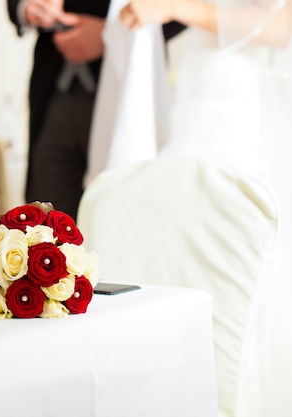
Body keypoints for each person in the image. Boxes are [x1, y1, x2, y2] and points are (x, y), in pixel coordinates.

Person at [115, 0, 292, 415]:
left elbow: (284, 23)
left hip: (241, 118)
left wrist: (174, 7)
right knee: (176, 257)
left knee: (232, 262)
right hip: (197, 97)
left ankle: (235, 394)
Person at [6, 0, 183, 219]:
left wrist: (111, 34)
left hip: (127, 86)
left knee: (116, 213)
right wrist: (29, 7)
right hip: (53, 90)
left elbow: (186, 8)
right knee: (44, 221)